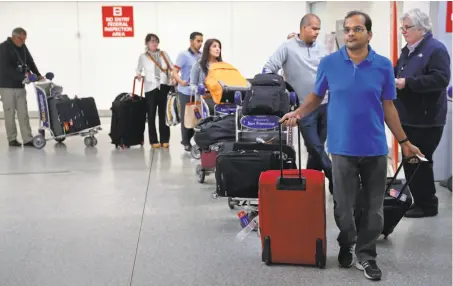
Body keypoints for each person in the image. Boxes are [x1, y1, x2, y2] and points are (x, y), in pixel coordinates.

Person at [280, 11, 424, 281]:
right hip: (342, 147)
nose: (350, 34)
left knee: (374, 208)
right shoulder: (330, 63)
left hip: (375, 148)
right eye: (346, 29)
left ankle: (366, 255)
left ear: (369, 34)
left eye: (357, 29)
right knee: (343, 207)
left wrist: (404, 141)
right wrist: (297, 113)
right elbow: (315, 96)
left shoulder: (382, 65)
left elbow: (388, 106)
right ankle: (347, 241)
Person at [263, 14, 333, 194]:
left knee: (315, 149)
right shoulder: (287, 47)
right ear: (303, 28)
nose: (317, 32)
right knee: (315, 146)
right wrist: (283, 92)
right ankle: (333, 176)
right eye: (314, 28)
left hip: (326, 104)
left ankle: (311, 188)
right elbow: (268, 68)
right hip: (304, 108)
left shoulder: (323, 49)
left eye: (319, 29)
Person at [394, 8, 451, 218]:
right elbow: (397, 72)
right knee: (411, 161)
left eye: (407, 27)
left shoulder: (435, 49)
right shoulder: (407, 50)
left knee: (419, 162)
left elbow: (441, 79)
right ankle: (419, 201)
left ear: (421, 28)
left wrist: (408, 83)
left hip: (427, 119)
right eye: (402, 27)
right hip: (407, 116)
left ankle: (428, 205)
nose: (403, 31)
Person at [0, 27, 43, 147]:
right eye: (22, 39)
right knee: (9, 113)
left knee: (23, 113)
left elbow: (30, 61)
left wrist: (38, 75)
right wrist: (22, 77)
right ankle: (12, 139)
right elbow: (5, 68)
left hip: (20, 86)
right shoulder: (3, 48)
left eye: (25, 39)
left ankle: (27, 139)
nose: (23, 42)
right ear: (14, 37)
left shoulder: (23, 48)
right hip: (7, 86)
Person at [136, 33, 174, 149]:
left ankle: (165, 139)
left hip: (164, 86)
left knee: (164, 115)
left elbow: (172, 68)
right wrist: (138, 75)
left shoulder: (164, 54)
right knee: (151, 114)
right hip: (150, 88)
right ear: (147, 43)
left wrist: (173, 78)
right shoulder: (143, 56)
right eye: (152, 41)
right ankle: (154, 141)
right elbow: (138, 69)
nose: (154, 43)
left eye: (156, 41)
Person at [172, 32, 203, 152]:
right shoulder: (183, 55)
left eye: (201, 41)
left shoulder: (201, 56)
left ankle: (197, 140)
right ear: (191, 41)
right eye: (198, 41)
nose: (200, 44)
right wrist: (180, 81)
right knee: (187, 117)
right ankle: (185, 141)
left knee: (197, 117)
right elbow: (174, 71)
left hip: (198, 92)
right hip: (185, 91)